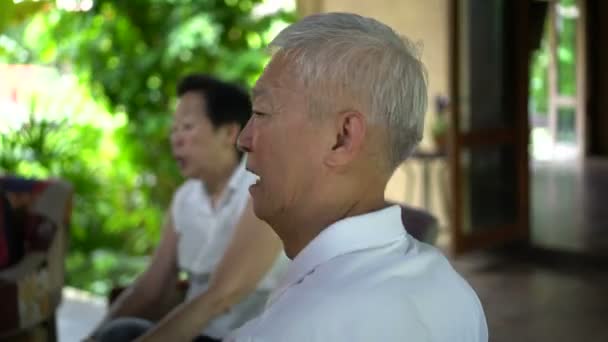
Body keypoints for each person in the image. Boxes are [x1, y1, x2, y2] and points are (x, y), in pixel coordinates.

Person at [227, 12, 488, 342]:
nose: (244, 139)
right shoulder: (454, 293)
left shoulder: (297, 328)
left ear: (342, 138)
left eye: (262, 112)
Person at [87, 74, 286, 342]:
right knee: (117, 332)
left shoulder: (261, 189)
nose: (176, 139)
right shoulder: (186, 198)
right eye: (174, 129)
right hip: (197, 335)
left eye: (187, 127)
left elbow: (221, 295)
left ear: (229, 133)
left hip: (248, 337)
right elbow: (152, 288)